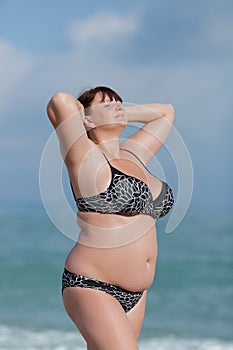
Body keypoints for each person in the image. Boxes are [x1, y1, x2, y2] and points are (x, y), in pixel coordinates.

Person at [47, 86, 174, 350]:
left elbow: (165, 113)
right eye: (108, 105)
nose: (118, 107)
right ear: (87, 119)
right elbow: (60, 102)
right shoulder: (84, 156)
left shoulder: (133, 154)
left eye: (120, 103)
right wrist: (88, 116)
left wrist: (115, 111)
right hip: (93, 284)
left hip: (137, 294)